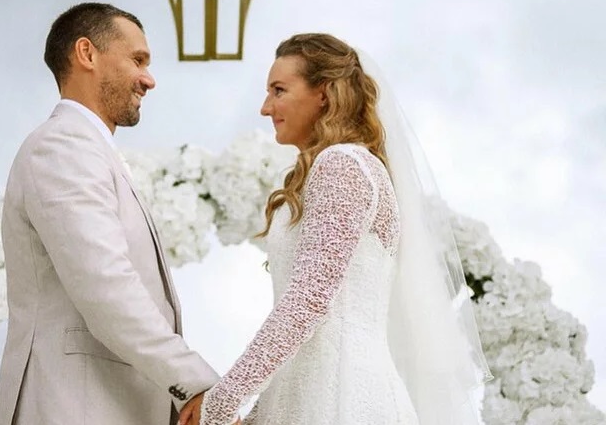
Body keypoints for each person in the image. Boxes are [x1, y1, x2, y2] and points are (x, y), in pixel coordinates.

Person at [180, 33, 491, 425]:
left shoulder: (342, 165)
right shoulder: (331, 169)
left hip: (345, 401)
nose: (265, 107)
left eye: (279, 90)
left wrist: (223, 400)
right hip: (309, 397)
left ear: (323, 93)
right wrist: (258, 414)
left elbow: (310, 298)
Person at [0, 2, 226, 425]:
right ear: (87, 53)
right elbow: (105, 284)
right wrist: (193, 382)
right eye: (138, 60)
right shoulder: (63, 146)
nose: (149, 79)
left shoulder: (92, 150)